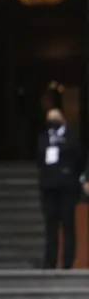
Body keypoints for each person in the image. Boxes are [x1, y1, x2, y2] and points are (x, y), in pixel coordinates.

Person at [37, 108, 83, 269]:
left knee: (67, 225)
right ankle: (50, 261)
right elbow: (41, 160)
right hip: (49, 187)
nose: (52, 121)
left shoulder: (72, 138)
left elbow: (79, 160)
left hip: (67, 187)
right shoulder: (44, 138)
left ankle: (68, 262)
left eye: (55, 118)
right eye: (49, 118)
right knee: (51, 226)